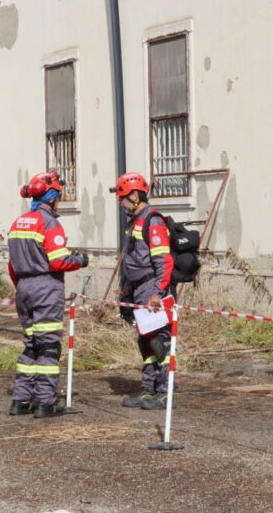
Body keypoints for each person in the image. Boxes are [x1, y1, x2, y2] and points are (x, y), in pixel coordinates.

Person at [6, 171, 87, 418]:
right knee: (49, 348)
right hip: (46, 289)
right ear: (52, 197)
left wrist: (22, 287)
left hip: (24, 289)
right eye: (58, 196)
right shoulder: (50, 223)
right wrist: (80, 260)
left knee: (30, 346)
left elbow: (12, 265)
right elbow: (58, 262)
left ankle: (20, 400)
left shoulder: (18, 222)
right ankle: (45, 403)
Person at [111, 172, 175, 411]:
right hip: (138, 289)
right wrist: (127, 288)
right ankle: (148, 389)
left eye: (123, 198)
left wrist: (158, 291)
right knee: (145, 341)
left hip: (151, 288)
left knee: (160, 342)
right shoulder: (134, 221)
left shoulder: (153, 221)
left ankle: (164, 392)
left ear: (135, 196)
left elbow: (164, 261)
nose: (121, 203)